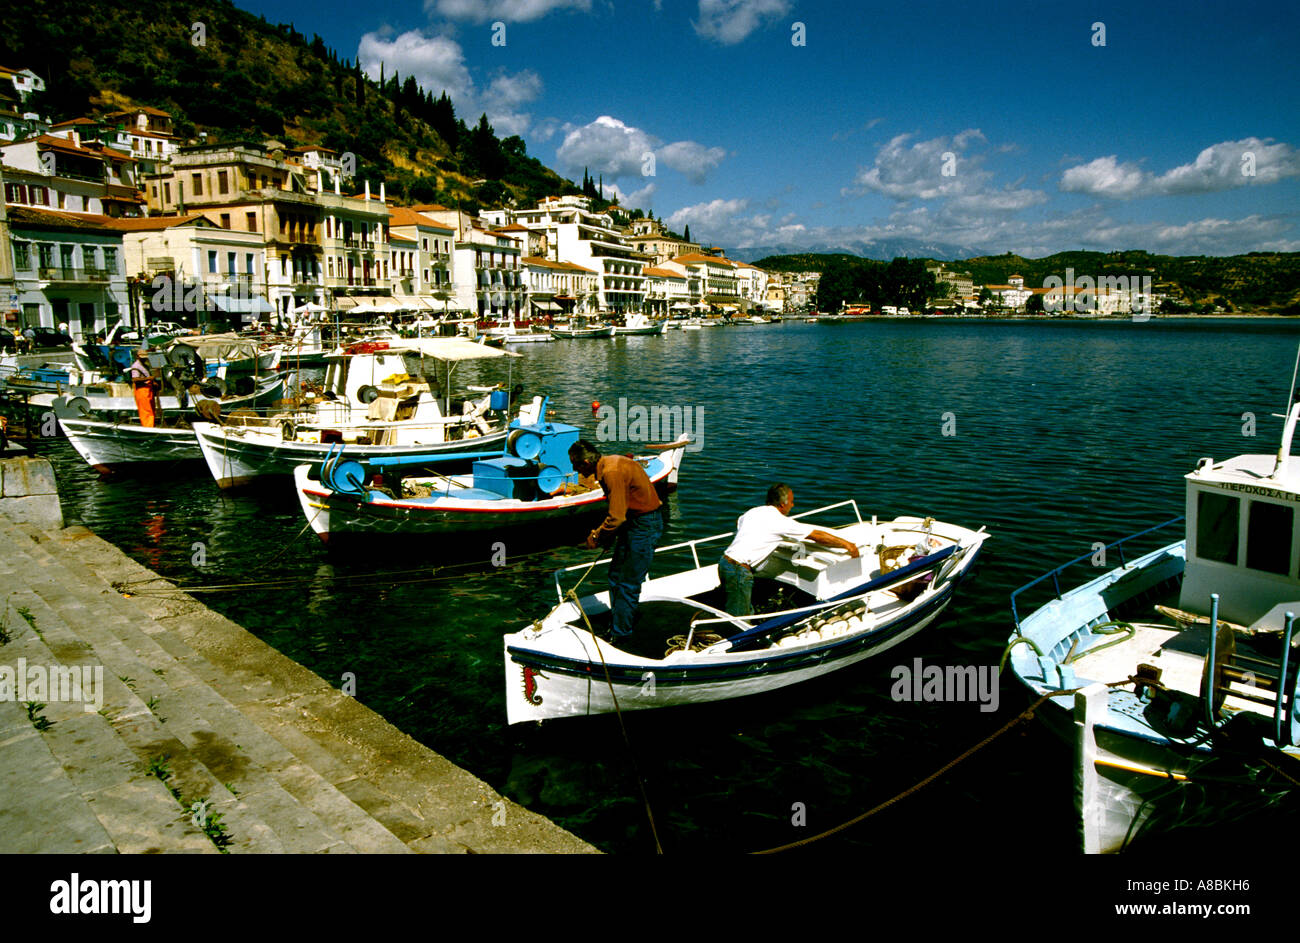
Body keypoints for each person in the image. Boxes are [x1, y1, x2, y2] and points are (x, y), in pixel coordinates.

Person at [718, 483, 860, 616]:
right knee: (739, 619)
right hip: (739, 571)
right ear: (782, 504)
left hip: (724, 563)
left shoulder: (752, 512)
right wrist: (848, 545)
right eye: (791, 501)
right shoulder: (780, 522)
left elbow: (739, 522)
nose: (793, 504)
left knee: (735, 606)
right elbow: (816, 536)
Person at [569, 439, 664, 639]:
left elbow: (617, 517)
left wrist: (597, 536)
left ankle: (621, 635)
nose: (573, 468)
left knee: (628, 582)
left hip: (644, 525)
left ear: (585, 463)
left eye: (574, 464)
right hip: (633, 522)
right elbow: (621, 511)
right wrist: (609, 536)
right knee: (615, 575)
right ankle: (619, 622)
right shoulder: (611, 462)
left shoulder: (611, 472)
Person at [127, 346, 158, 427]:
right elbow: (135, 379)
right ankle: (148, 427)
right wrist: (148, 378)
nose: (144, 359)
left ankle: (151, 425)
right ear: (138, 356)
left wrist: (153, 382)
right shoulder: (136, 366)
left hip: (148, 389)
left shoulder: (144, 365)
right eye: (142, 358)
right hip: (142, 390)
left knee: (151, 409)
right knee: (146, 411)